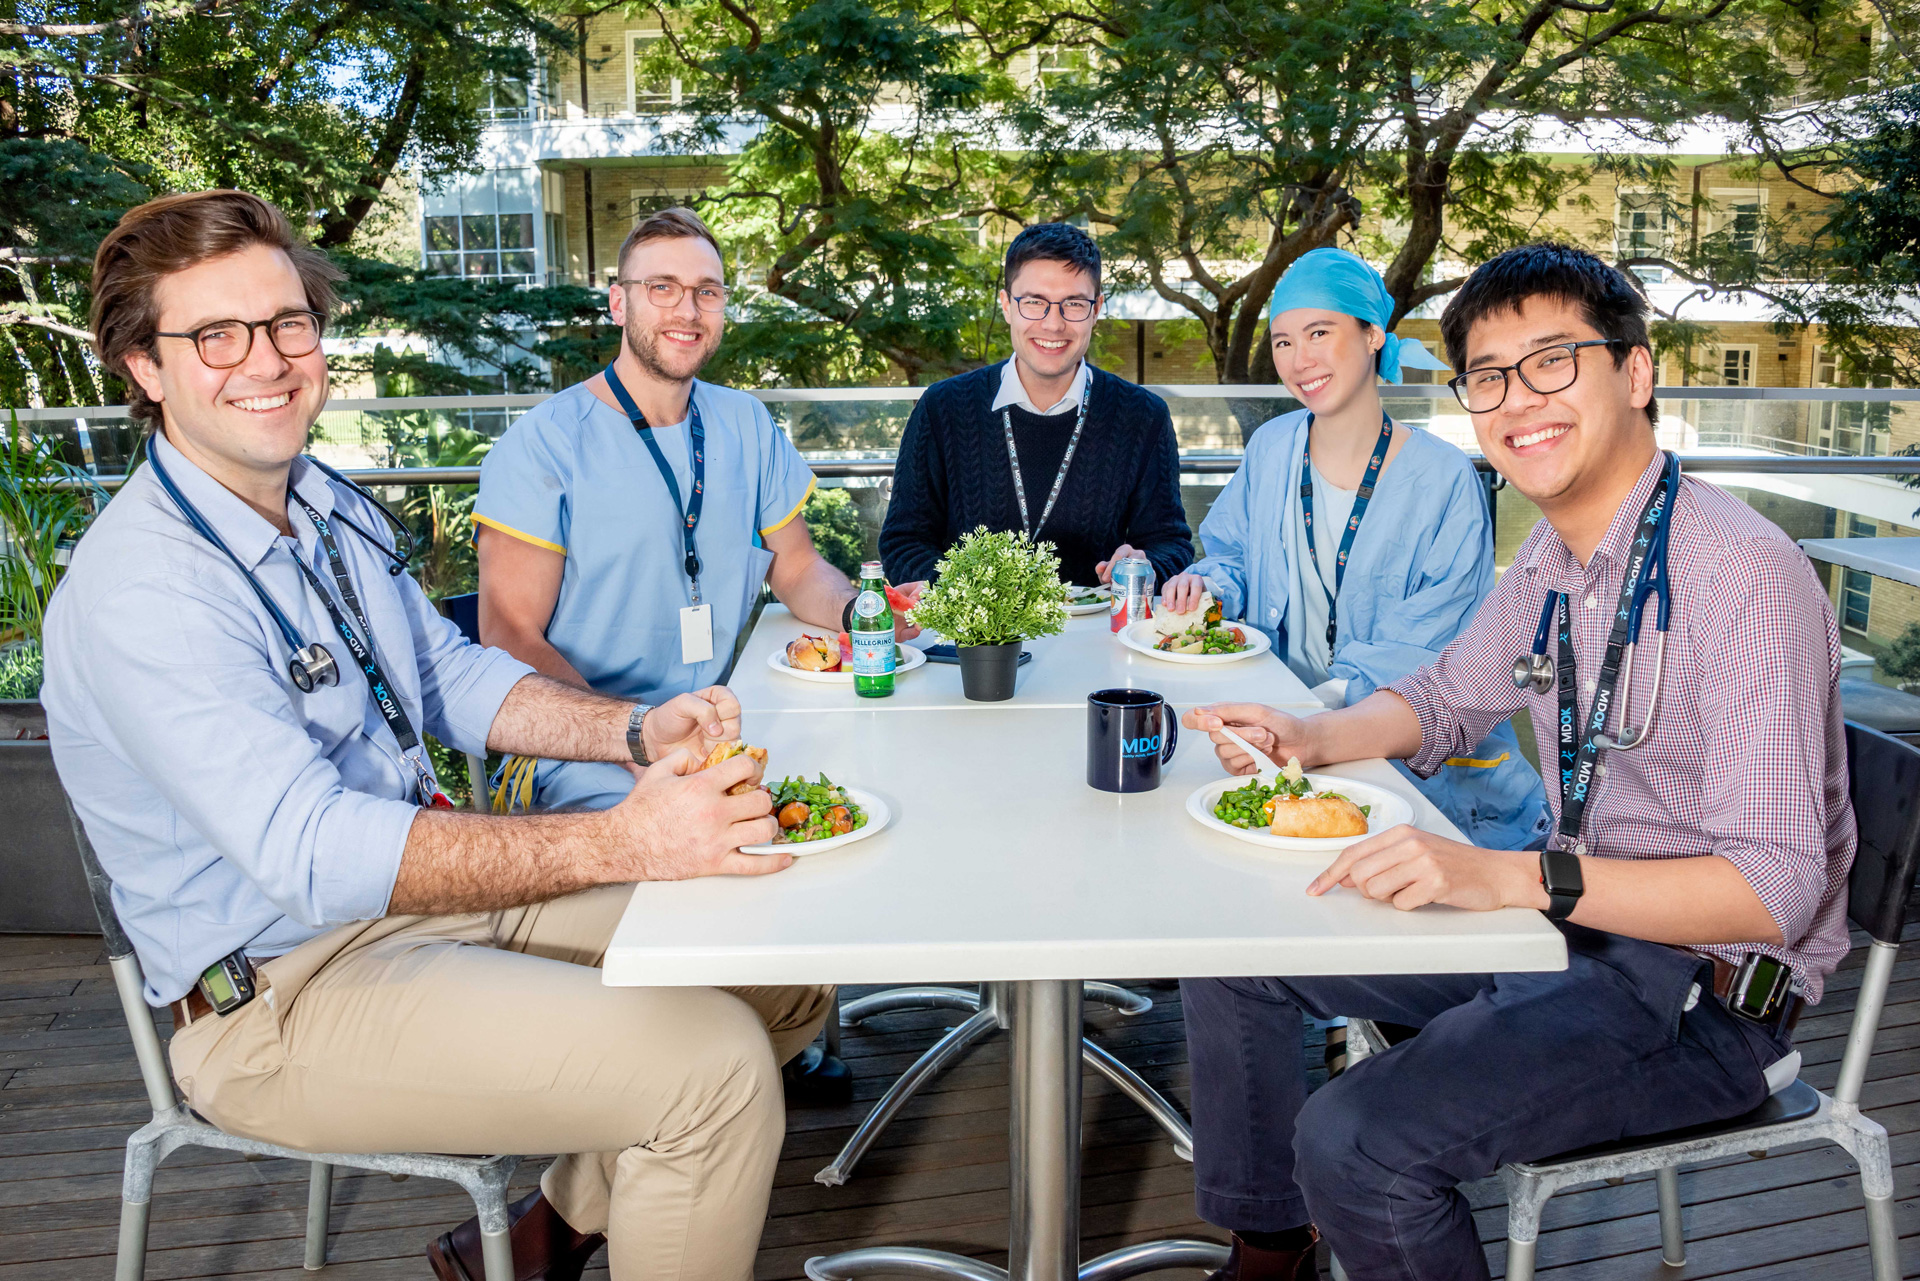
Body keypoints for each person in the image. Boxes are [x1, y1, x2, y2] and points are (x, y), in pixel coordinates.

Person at [45, 189, 831, 1281]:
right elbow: (314, 851)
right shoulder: (147, 588)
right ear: (146, 368)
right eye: (215, 335)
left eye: (287, 323)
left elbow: (448, 673)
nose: (265, 360)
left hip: (419, 909)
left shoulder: (320, 501)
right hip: (281, 991)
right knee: (715, 1071)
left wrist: (638, 731)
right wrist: (624, 845)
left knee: (785, 968)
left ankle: (553, 1226)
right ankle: (602, 1201)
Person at [1177, 242, 1855, 1281]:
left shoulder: (1743, 576)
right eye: (1488, 376)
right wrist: (1308, 738)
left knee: (1354, 1141)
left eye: (1551, 362)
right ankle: (1271, 1247)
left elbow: (1772, 890)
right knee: (1237, 953)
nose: (1515, 399)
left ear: (1636, 373)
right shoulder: (1553, 556)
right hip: (1566, 928)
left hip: (1697, 995)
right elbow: (1448, 698)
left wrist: (1508, 875)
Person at [476, 206, 918, 819]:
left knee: (871, 785)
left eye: (706, 292)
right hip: (583, 748)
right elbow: (509, 639)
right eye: (663, 288)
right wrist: (634, 737)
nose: (687, 311)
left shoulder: (747, 423)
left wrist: (860, 614)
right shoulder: (542, 445)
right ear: (619, 303)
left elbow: (796, 568)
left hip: (719, 724)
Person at [1162, 247, 1546, 851]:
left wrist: (1317, 720)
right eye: (1283, 341)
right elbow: (1233, 552)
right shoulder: (1271, 446)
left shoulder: (1443, 479)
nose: (1299, 359)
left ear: (1373, 335)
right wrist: (1205, 587)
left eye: (1320, 332)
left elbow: (1433, 645)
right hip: (1284, 737)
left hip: (1395, 755)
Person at [878, 222, 1194, 587]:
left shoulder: (1143, 415)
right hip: (973, 638)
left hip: (1095, 636)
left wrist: (1145, 563)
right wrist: (971, 597)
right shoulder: (942, 407)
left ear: (1096, 310)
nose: (1053, 324)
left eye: (1074, 304)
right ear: (1007, 306)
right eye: (1034, 303)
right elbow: (904, 543)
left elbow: (1170, 545)